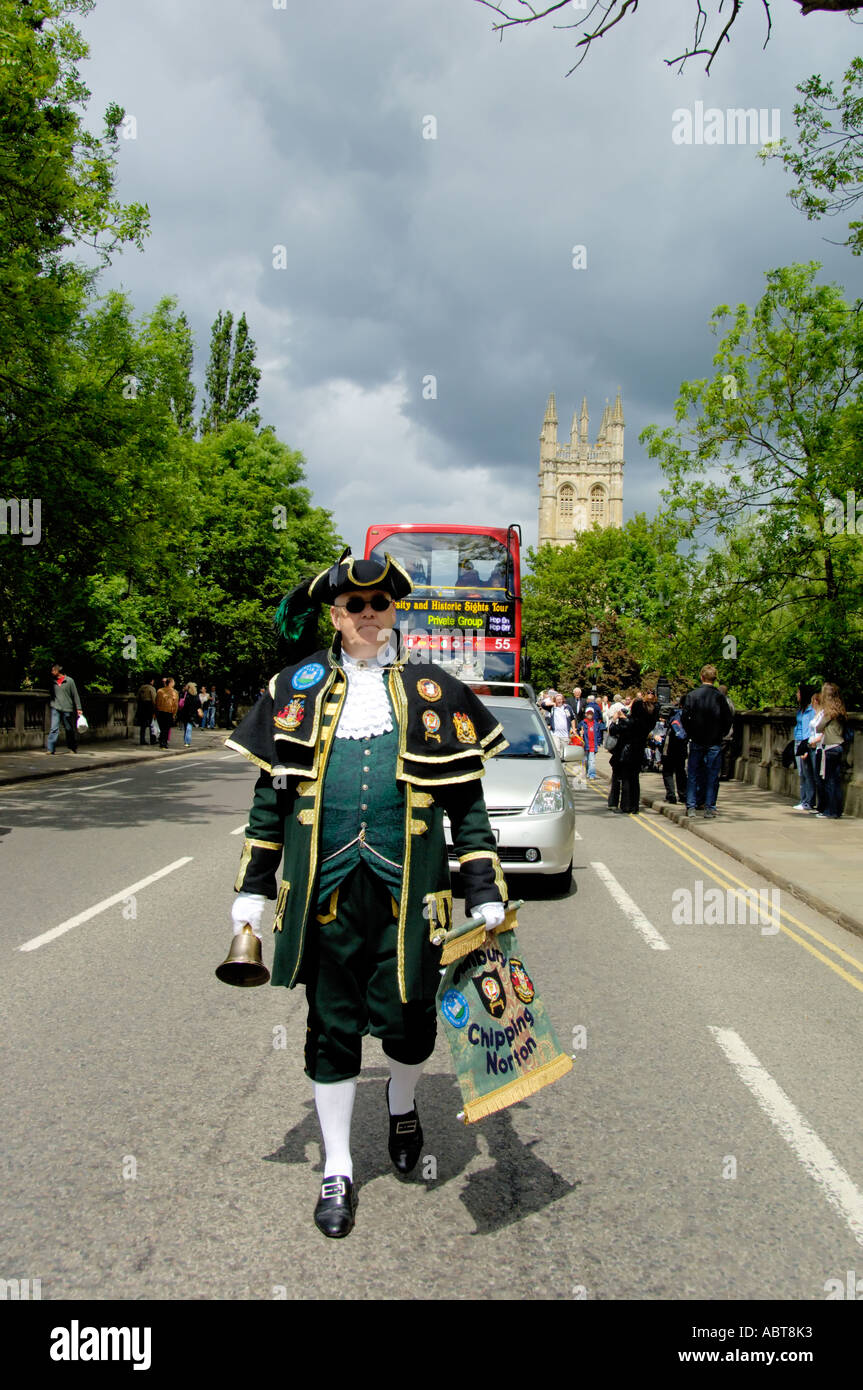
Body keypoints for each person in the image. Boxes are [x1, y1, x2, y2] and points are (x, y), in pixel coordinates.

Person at [222, 549, 510, 1239]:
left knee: (410, 1025)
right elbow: (268, 808)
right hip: (323, 897)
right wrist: (250, 900)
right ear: (334, 614)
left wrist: (483, 890)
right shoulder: (294, 689)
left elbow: (465, 809)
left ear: (392, 611)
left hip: (409, 897)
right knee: (331, 1028)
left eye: (380, 604)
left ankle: (403, 1105)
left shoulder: (434, 693)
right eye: (355, 606)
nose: (368, 615)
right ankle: (340, 1167)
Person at [681, 665, 732, 819]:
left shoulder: (692, 695)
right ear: (714, 678)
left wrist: (691, 733)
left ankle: (691, 806)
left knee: (693, 774)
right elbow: (728, 719)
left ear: (701, 677)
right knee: (712, 775)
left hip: (697, 739)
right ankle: (709, 807)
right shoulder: (720, 697)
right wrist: (720, 734)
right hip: (714, 741)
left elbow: (684, 718)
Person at [609, 692, 657, 814]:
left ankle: (625, 806)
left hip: (626, 753)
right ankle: (634, 806)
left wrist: (615, 720)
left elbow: (613, 731)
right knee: (635, 780)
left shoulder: (629, 722)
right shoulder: (646, 723)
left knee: (625, 779)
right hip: (639, 752)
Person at [810, 683, 847, 819]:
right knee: (836, 781)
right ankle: (837, 810)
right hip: (839, 745)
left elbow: (819, 727)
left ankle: (830, 811)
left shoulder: (828, 712)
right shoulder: (840, 710)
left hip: (830, 747)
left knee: (829, 781)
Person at [46, 662, 83, 754]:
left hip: (67, 708)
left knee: (69, 729)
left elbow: (75, 695)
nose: (52, 672)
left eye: (53, 670)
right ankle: (50, 749)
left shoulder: (69, 681)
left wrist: (79, 708)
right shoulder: (52, 682)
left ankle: (72, 747)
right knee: (53, 728)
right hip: (55, 707)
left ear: (58, 671)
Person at [793, 684, 817, 813]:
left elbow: (809, 730)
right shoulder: (801, 710)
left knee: (807, 773)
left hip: (804, 743)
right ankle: (804, 799)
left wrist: (805, 748)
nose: (797, 695)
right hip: (798, 741)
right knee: (802, 773)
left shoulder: (810, 710)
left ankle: (808, 801)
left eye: (798, 692)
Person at [661, 706, 688, 804]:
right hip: (682, 748)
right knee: (680, 771)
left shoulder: (673, 717)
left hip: (670, 748)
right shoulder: (686, 715)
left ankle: (671, 796)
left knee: (667, 772)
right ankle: (683, 795)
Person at [545, 692, 577, 759]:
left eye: (560, 699)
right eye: (557, 699)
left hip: (565, 734)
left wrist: (574, 729)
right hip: (555, 733)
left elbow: (572, 718)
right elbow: (542, 704)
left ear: (563, 700)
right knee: (557, 750)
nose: (559, 701)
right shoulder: (552, 708)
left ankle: (562, 766)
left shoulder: (567, 707)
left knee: (564, 753)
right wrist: (553, 703)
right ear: (555, 700)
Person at [578, 706, 603, 779]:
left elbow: (598, 735)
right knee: (586, 760)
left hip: (593, 745)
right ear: (586, 714)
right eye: (588, 713)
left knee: (591, 761)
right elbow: (577, 732)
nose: (590, 715)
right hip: (585, 745)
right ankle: (587, 773)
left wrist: (598, 743)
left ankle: (592, 774)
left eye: (591, 714)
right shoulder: (582, 723)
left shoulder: (595, 724)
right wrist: (580, 732)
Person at [155, 677, 178, 748]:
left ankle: (161, 741)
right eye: (173, 682)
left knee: (162, 728)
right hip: (169, 712)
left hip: (160, 711)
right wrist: (174, 714)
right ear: (170, 683)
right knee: (166, 728)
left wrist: (156, 711)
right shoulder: (174, 692)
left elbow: (156, 702)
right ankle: (164, 743)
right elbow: (175, 704)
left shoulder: (160, 691)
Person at [135, 676, 158, 746]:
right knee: (152, 724)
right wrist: (155, 708)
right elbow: (154, 699)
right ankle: (153, 740)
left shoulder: (141, 688)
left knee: (143, 725)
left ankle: (142, 740)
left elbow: (137, 698)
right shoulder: (151, 688)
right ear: (151, 681)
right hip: (149, 706)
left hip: (142, 706)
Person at [178, 681, 202, 748]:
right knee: (188, 728)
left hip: (186, 713)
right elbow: (199, 704)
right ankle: (186, 742)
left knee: (187, 728)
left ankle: (186, 742)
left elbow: (184, 704)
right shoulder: (196, 695)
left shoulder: (186, 694)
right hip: (192, 714)